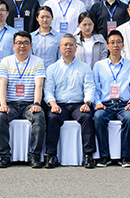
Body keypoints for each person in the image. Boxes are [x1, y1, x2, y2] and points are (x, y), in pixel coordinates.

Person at [44, 34, 97, 168]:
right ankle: (51, 155)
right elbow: (48, 90)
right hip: (59, 105)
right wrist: (53, 104)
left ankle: (88, 155)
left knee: (86, 116)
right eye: (65, 44)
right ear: (60, 47)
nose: (68, 47)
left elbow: (90, 87)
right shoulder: (52, 68)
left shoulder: (84, 67)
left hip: (78, 105)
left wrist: (87, 103)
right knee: (52, 117)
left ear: (76, 47)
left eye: (71, 44)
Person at [0, 31, 46, 169]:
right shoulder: (6, 61)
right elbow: (2, 84)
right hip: (11, 104)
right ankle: (4, 155)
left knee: (39, 117)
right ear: (13, 45)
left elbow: (39, 85)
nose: (22, 46)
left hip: (29, 104)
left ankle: (34, 155)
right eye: (19, 43)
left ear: (31, 45)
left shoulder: (38, 61)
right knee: (0, 116)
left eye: (25, 43)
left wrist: (36, 103)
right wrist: (3, 104)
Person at [92, 30, 130, 167]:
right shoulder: (99, 65)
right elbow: (95, 89)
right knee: (98, 117)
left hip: (124, 104)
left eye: (118, 42)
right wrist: (98, 103)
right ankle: (104, 156)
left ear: (123, 45)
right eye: (112, 42)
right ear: (107, 46)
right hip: (105, 105)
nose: (115, 45)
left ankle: (125, 156)